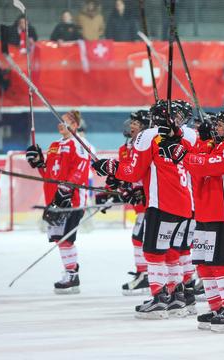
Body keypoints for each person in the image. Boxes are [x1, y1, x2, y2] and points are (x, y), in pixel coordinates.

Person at [92, 100, 197, 319]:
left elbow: (133, 172)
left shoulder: (148, 136)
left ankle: (159, 299)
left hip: (162, 203)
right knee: (171, 251)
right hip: (185, 204)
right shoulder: (189, 135)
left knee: (153, 251)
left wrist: (108, 166)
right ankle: (177, 297)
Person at [159, 109, 224, 333]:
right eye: (217, 124)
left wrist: (181, 153)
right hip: (205, 214)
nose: (217, 128)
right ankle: (218, 307)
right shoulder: (213, 145)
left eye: (222, 125)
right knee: (205, 265)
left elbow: (213, 165)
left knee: (222, 263)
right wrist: (174, 138)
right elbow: (195, 160)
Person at [25, 110, 91, 294]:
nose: (61, 124)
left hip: (72, 199)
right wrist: (39, 163)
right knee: (59, 239)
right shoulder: (54, 145)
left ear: (76, 125)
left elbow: (81, 168)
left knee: (66, 239)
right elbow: (49, 174)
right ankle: (71, 274)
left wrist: (66, 190)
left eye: (66, 121)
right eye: (59, 121)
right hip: (54, 199)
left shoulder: (79, 144)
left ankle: (72, 275)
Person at [119, 110, 151, 295]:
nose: (131, 126)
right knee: (139, 237)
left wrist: (138, 189)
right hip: (138, 199)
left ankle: (146, 275)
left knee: (140, 237)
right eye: (131, 123)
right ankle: (143, 273)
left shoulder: (144, 145)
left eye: (136, 124)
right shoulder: (127, 146)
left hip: (148, 199)